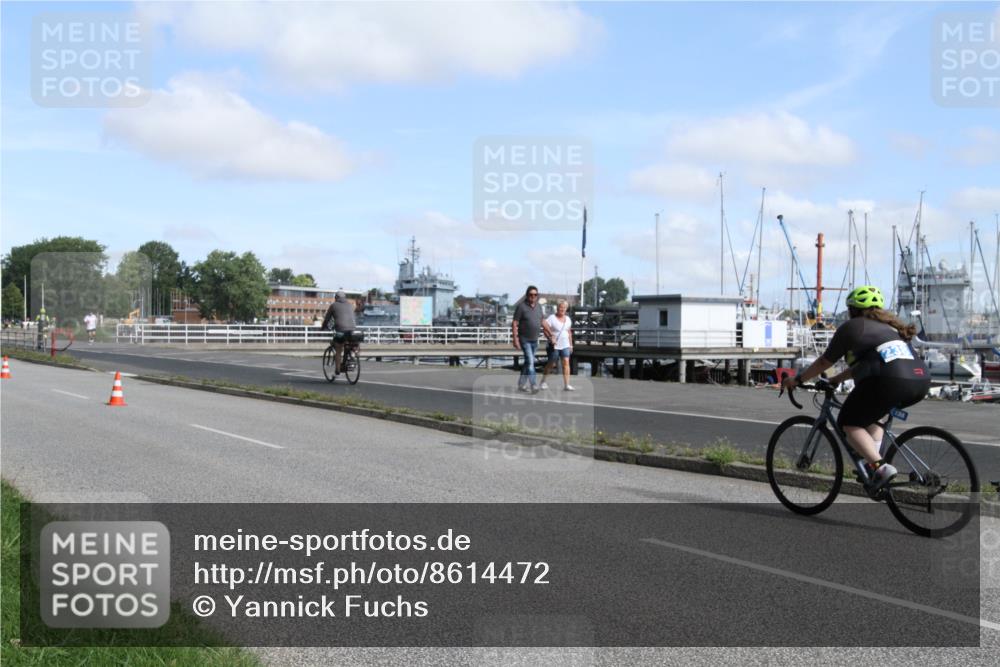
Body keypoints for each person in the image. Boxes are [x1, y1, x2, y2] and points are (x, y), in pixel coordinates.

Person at [782, 285, 931, 492]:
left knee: (848, 422)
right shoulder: (890, 330)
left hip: (889, 380)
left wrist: (797, 380)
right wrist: (836, 379)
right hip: (920, 381)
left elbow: (825, 361)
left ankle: (881, 468)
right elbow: (864, 366)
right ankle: (873, 467)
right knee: (872, 417)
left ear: (852, 310)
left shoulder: (853, 327)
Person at [511, 285, 543, 392]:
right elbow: (515, 323)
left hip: (535, 339)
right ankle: (533, 384)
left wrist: (550, 334)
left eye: (535, 294)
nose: (533, 296)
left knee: (528, 362)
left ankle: (521, 384)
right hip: (525, 339)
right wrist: (515, 339)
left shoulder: (539, 307)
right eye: (531, 294)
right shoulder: (521, 307)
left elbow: (542, 321)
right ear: (527, 295)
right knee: (531, 362)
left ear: (537, 295)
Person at [540, 299, 575, 391]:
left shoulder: (568, 319)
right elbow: (545, 330)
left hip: (565, 345)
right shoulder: (552, 318)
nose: (562, 309)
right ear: (557, 308)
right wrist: (550, 338)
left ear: (566, 309)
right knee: (552, 364)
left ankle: (567, 385)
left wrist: (571, 345)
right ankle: (543, 381)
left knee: (566, 362)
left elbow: (569, 332)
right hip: (554, 345)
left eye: (564, 307)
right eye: (560, 307)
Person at [320, 291, 357, 374]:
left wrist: (323, 328)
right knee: (349, 345)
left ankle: (337, 370)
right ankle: (348, 360)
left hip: (340, 330)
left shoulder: (333, 305)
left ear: (336, 298)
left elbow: (327, 319)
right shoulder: (350, 305)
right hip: (352, 330)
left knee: (338, 349)